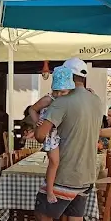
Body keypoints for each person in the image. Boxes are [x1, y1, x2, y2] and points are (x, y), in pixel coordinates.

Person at [32, 58, 101, 221]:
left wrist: (37, 118)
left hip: (66, 173)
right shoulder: (96, 100)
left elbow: (41, 136)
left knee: (42, 214)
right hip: (88, 173)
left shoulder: (61, 103)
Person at [32, 67, 75, 203]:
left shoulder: (69, 100)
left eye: (63, 91)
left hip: (61, 132)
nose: (59, 94)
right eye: (57, 91)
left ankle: (56, 186)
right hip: (50, 134)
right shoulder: (48, 99)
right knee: (54, 162)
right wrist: (37, 121)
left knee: (60, 162)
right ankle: (49, 191)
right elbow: (32, 109)